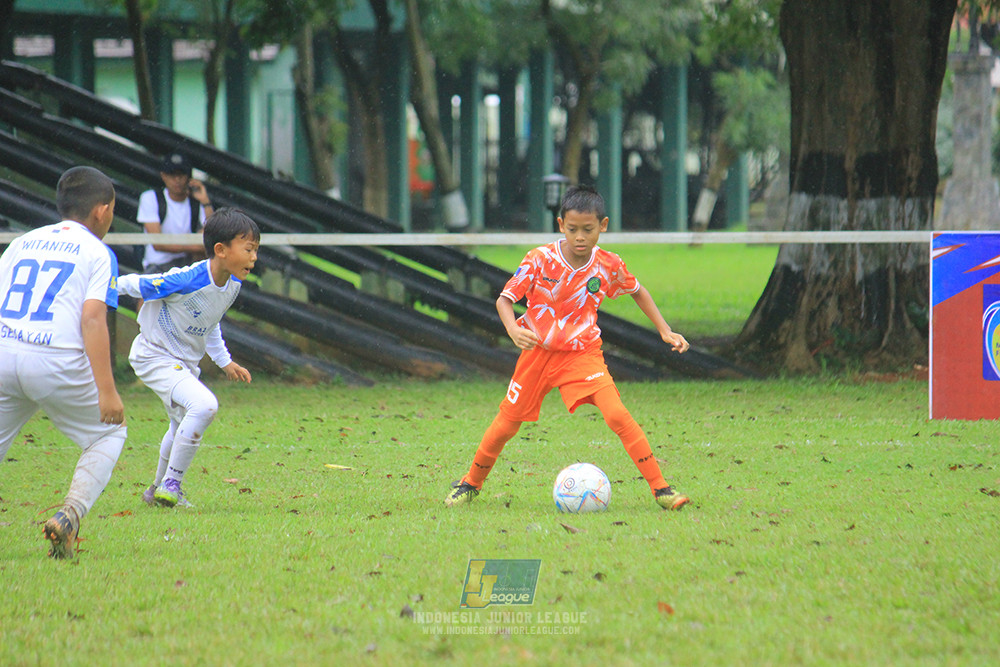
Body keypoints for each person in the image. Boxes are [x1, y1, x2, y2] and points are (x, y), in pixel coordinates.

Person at [445, 185, 692, 511]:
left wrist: (664, 329)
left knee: (617, 414)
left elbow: (638, 290)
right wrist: (512, 330)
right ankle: (470, 484)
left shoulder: (608, 264)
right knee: (505, 426)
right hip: (537, 354)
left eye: (588, 230)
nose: (579, 237)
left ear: (602, 226)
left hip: (582, 354)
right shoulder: (540, 259)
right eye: (572, 229)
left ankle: (661, 489)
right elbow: (505, 300)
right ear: (561, 224)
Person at [0, 166, 127, 559]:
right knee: (109, 433)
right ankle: (69, 516)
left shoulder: (23, 242)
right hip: (55, 360)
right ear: (102, 211)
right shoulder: (97, 251)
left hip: (4, 352)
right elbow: (92, 319)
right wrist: (108, 391)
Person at [117, 208, 257, 508]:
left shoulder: (232, 285)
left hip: (183, 364)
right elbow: (140, 285)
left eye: (255, 250)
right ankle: (172, 483)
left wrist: (225, 361)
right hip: (154, 355)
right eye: (248, 249)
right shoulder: (187, 278)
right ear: (220, 250)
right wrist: (97, 288)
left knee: (178, 423)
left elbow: (211, 321)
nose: (254, 258)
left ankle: (155, 490)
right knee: (204, 405)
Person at [137, 151, 214, 273]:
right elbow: (158, 244)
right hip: (158, 266)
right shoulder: (150, 198)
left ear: (189, 177)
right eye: (172, 174)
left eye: (181, 174)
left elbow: (212, 233)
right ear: (163, 176)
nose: (177, 180)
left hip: (187, 267)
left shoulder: (196, 202)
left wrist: (206, 202)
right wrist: (197, 246)